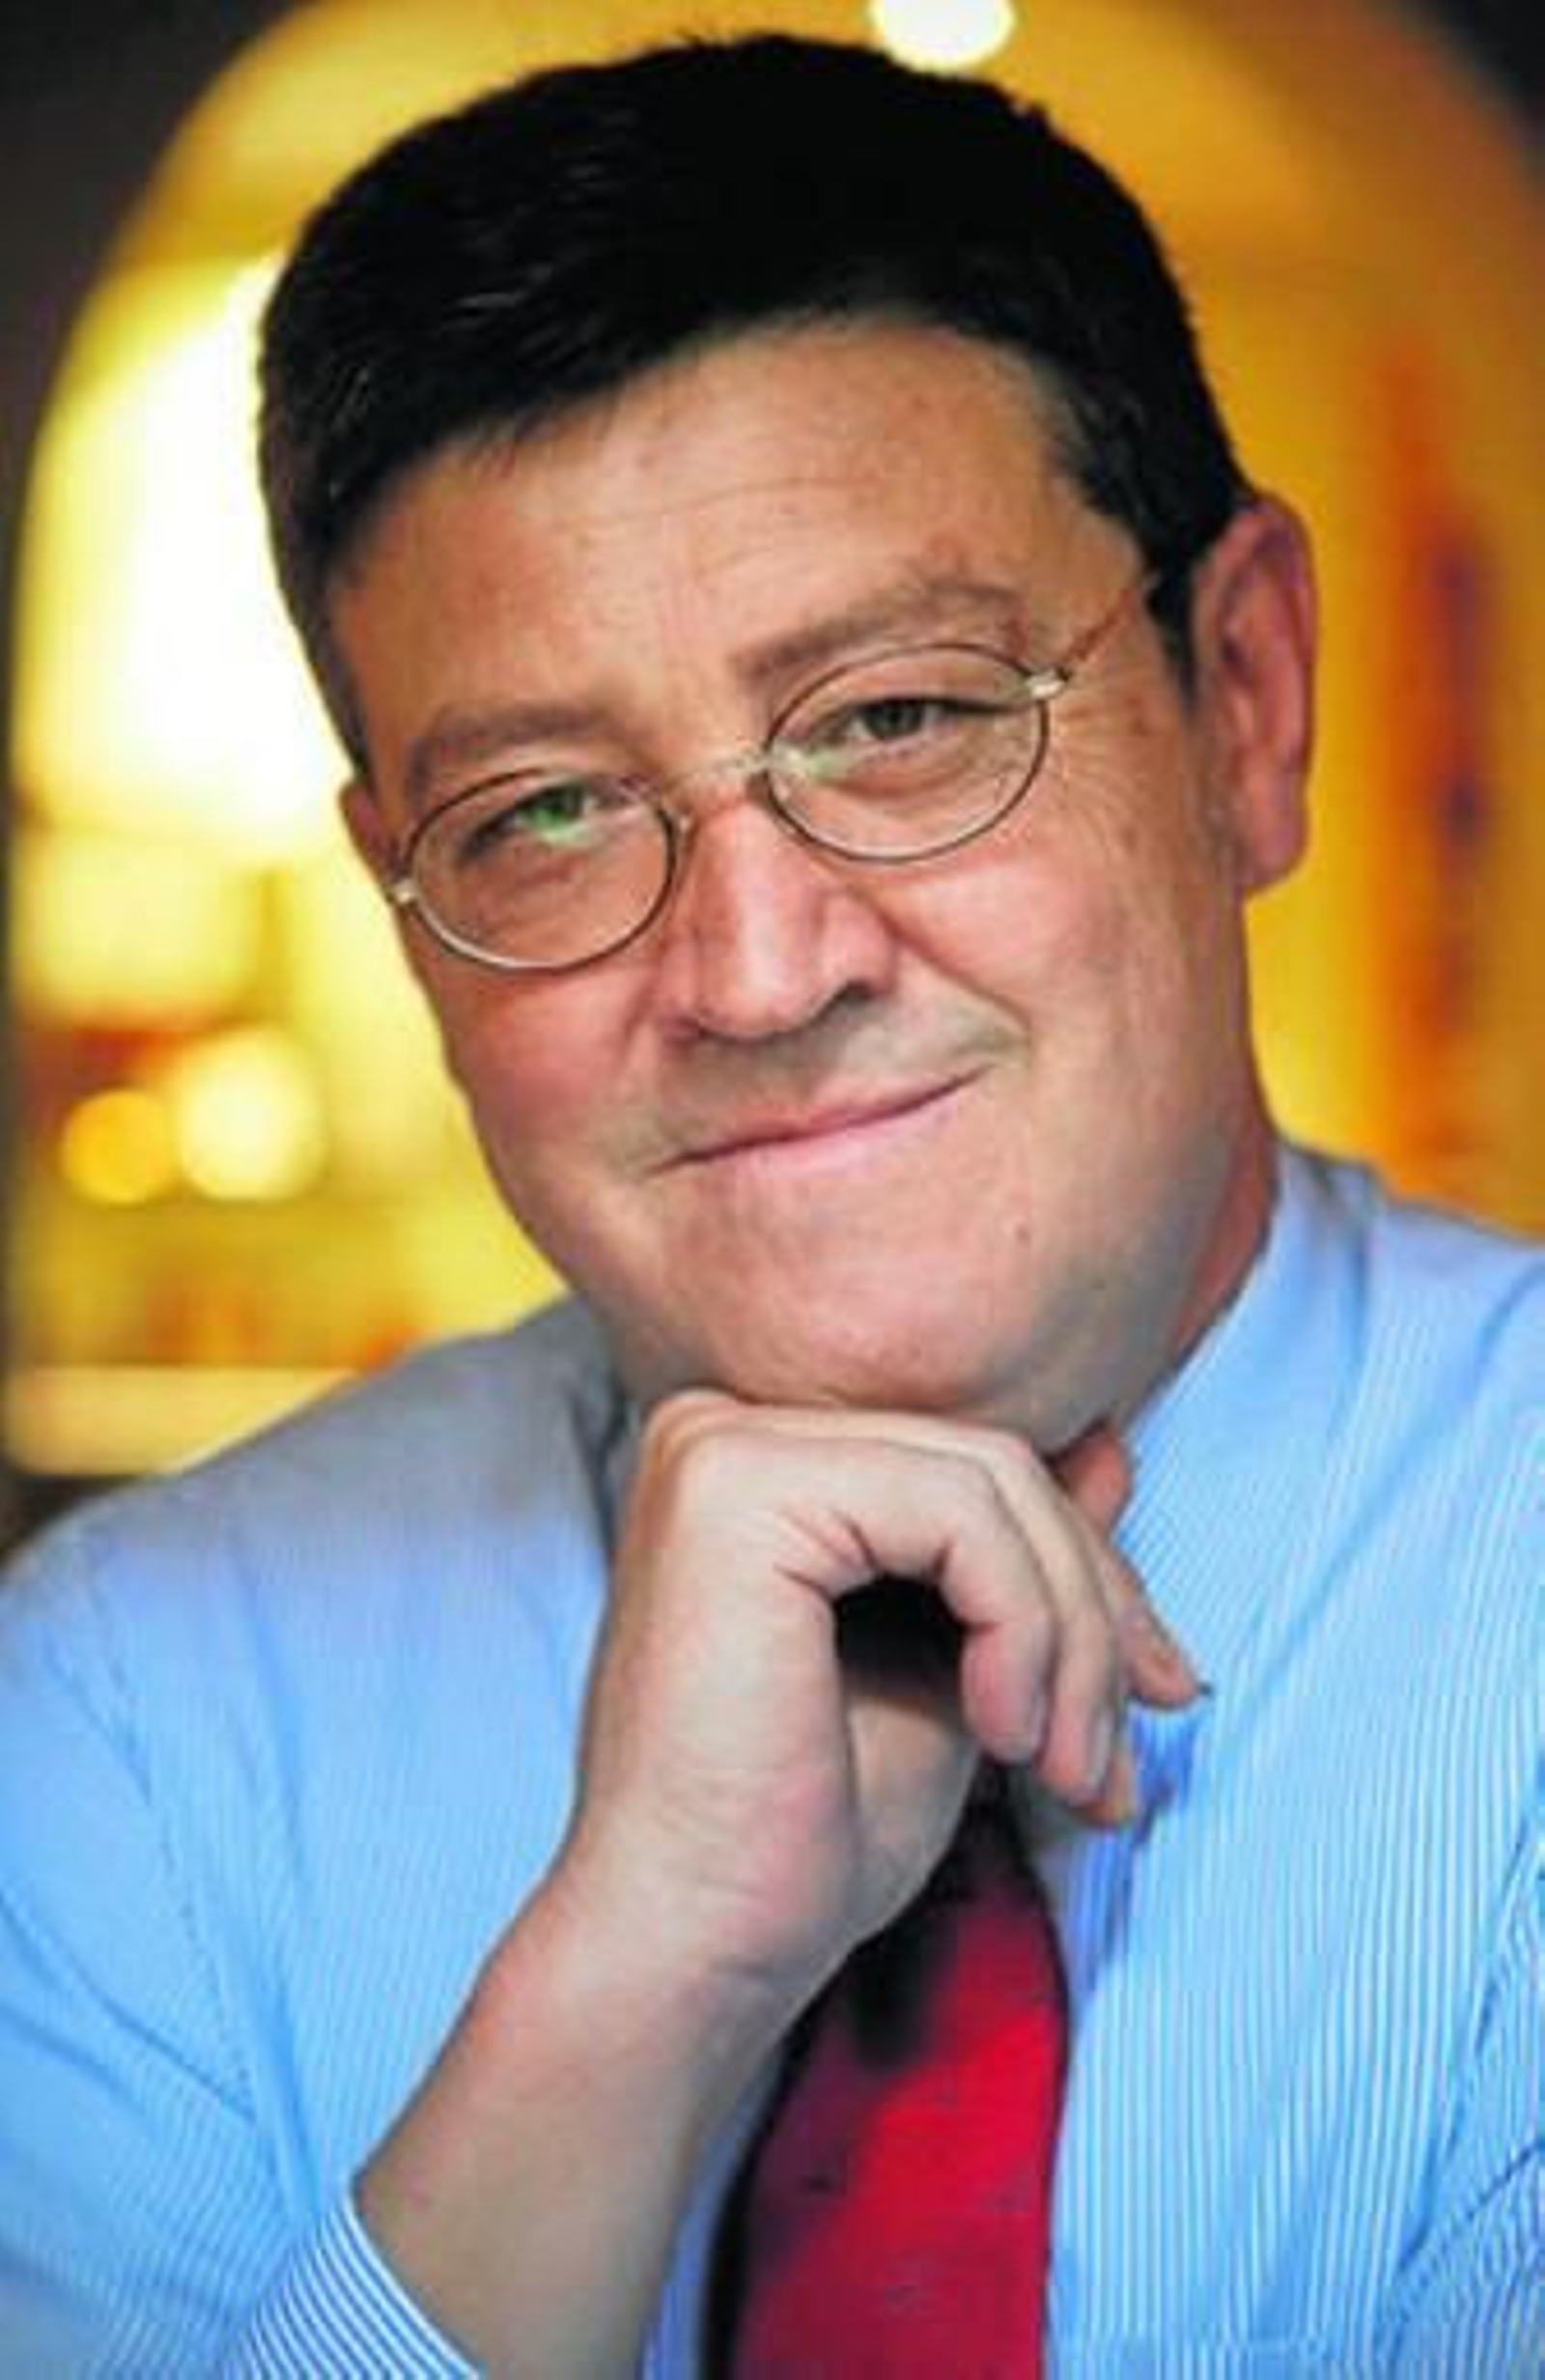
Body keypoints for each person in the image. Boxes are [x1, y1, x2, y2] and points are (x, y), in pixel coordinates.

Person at [0, 31, 1539, 2375]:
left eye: (898, 719)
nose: (751, 967)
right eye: (540, 812)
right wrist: (622, 1996)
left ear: (1239, 699)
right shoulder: (116, 1726)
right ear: (408, 919)